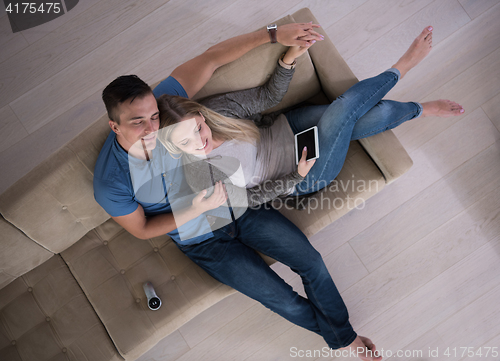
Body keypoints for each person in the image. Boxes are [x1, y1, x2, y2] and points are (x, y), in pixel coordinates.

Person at [94, 20, 391, 361]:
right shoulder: (110, 181)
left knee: (311, 261)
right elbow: (143, 230)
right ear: (113, 125)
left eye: (153, 116)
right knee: (278, 296)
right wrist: (197, 209)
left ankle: (343, 339)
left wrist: (273, 35)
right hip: (201, 239)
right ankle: (346, 340)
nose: (151, 128)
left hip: (240, 207)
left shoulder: (163, 113)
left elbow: (211, 59)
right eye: (137, 122)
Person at [157, 26, 465, 213]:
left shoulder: (215, 111)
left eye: (198, 128)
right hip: (303, 172)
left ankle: (421, 109)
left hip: (289, 128)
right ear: (173, 147)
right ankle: (404, 67)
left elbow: (266, 98)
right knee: (344, 109)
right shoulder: (198, 178)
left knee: (369, 112)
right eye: (187, 141)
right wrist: (296, 177)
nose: (201, 141)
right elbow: (250, 199)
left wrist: (289, 58)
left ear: (200, 115)